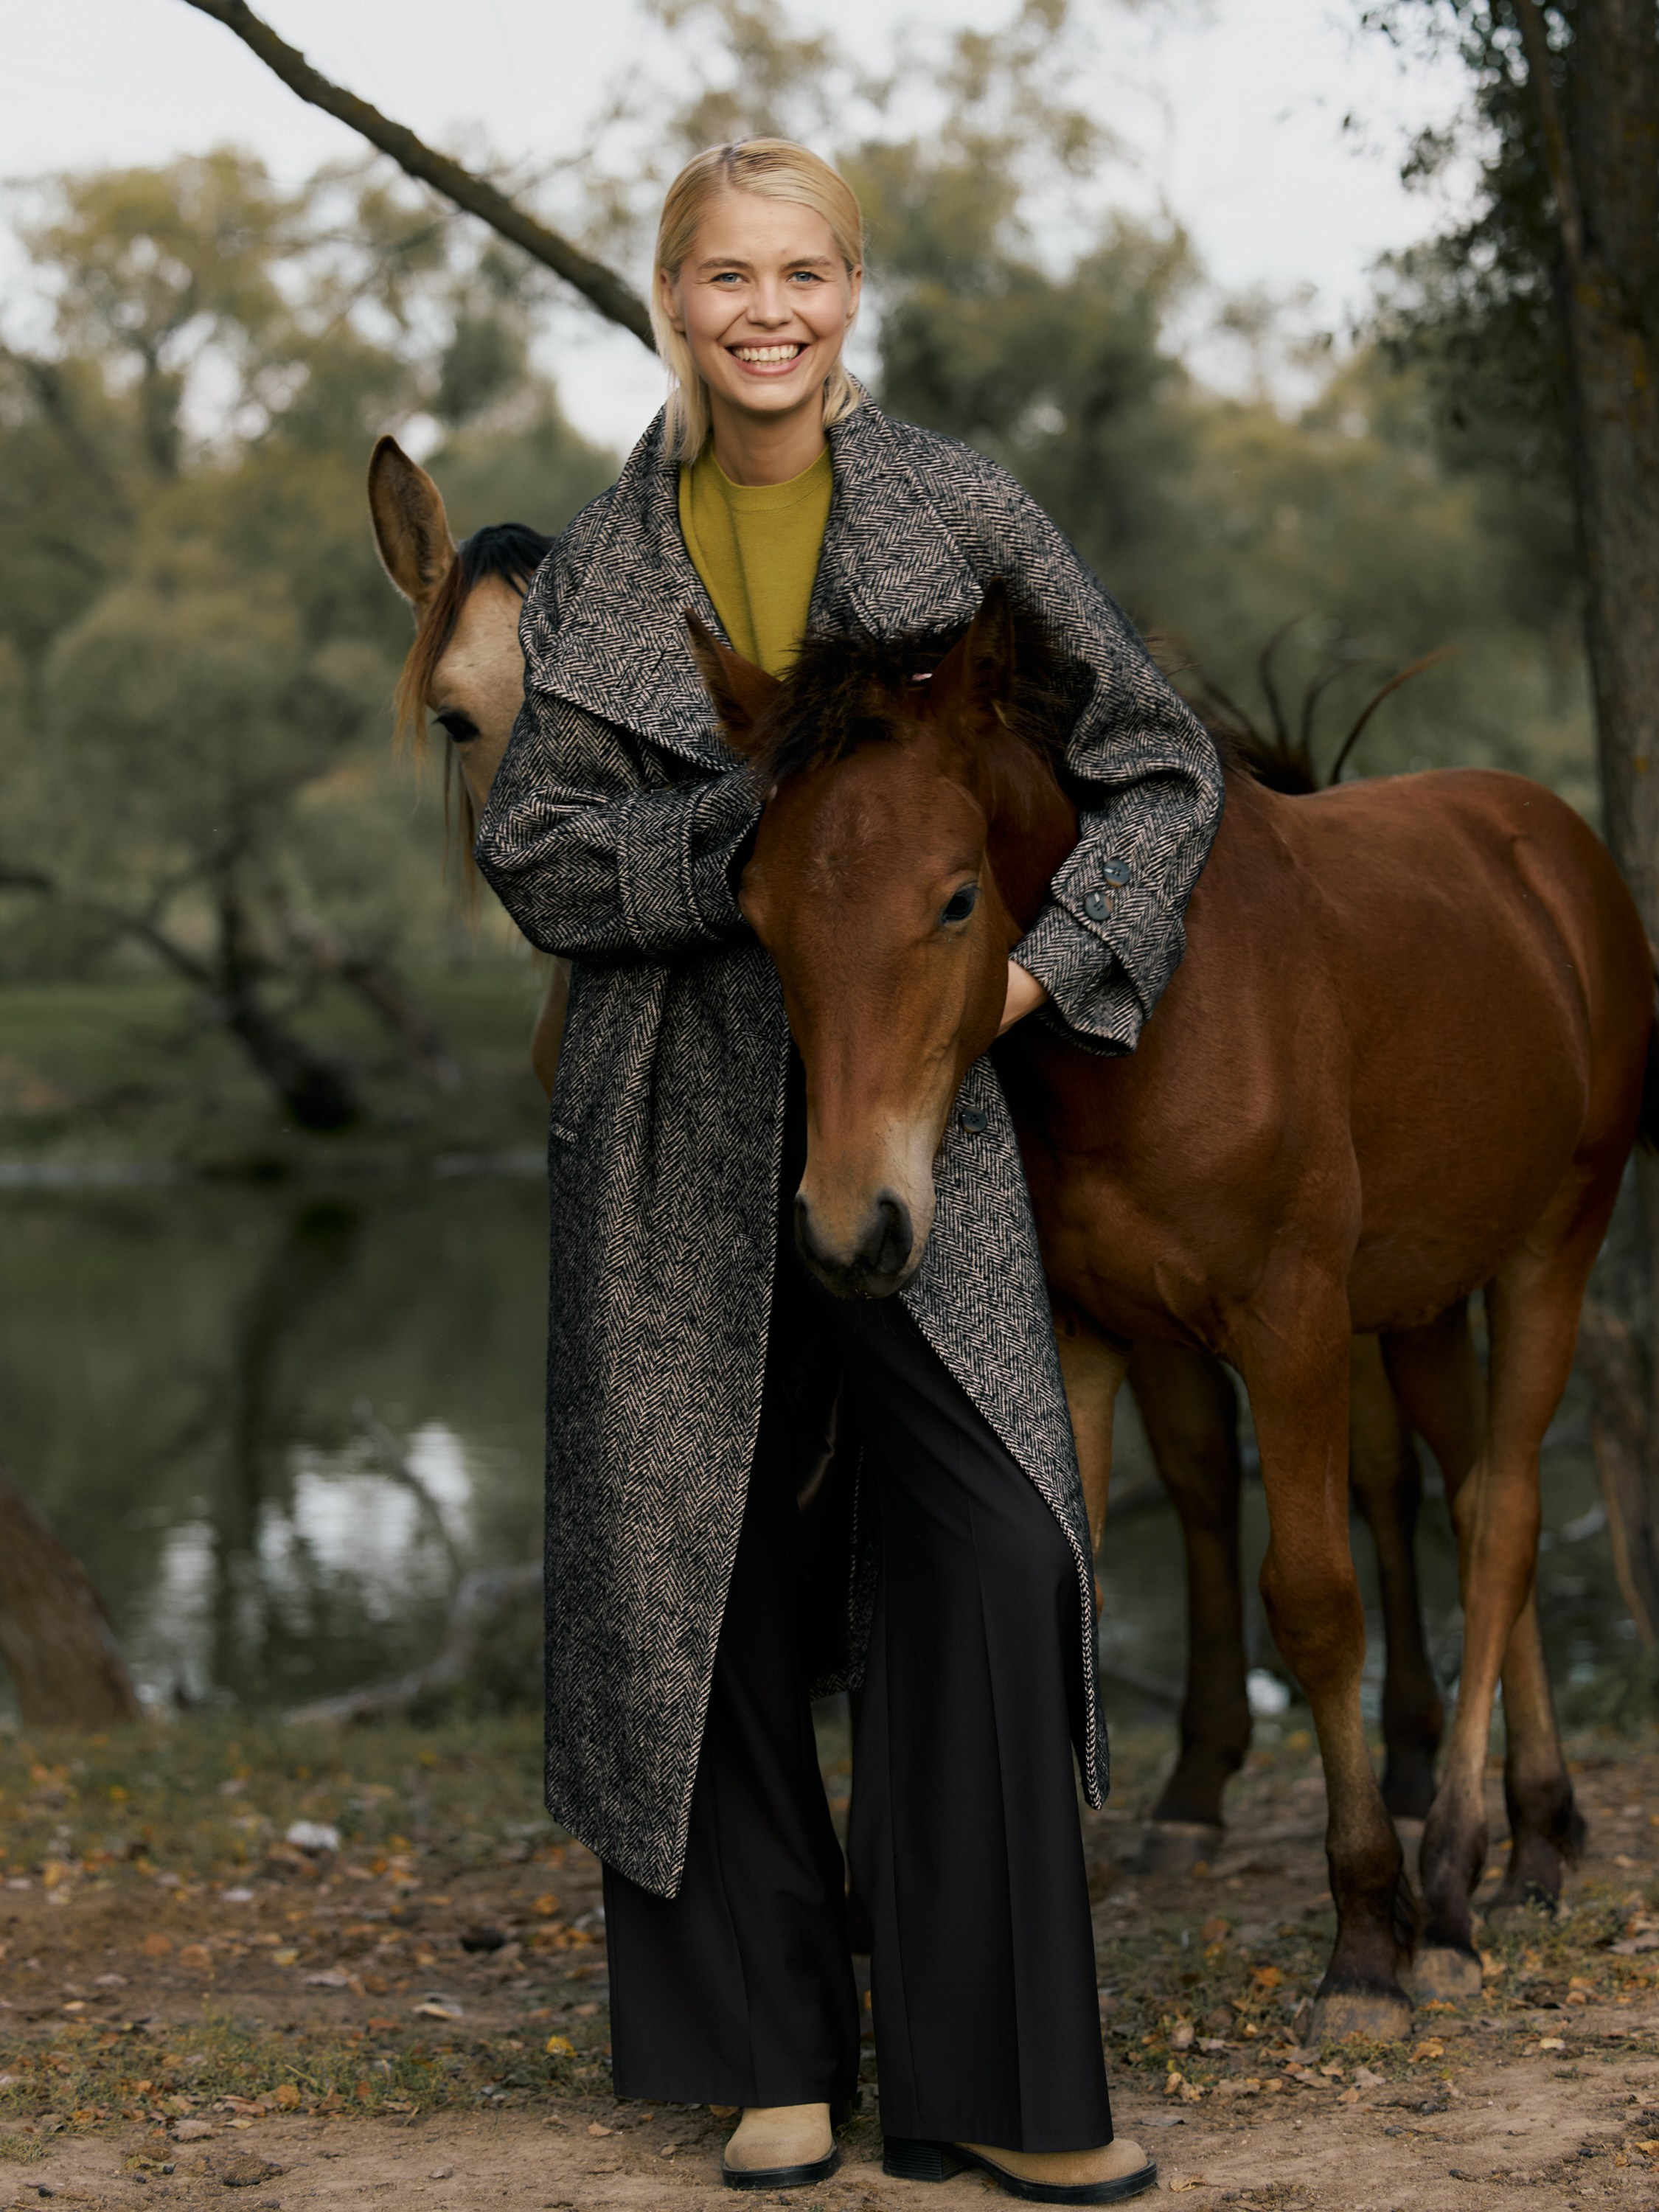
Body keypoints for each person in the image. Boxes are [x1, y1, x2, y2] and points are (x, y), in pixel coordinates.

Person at [476, 139, 1224, 2203]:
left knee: (991, 1546)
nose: (767, 311)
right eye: (726, 275)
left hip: (917, 1113)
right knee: (693, 1579)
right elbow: (528, 847)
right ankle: (769, 2059)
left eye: (801, 271)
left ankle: (994, 2077)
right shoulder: (606, 570)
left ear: (846, 293)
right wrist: (742, 856)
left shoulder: (960, 513)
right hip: (668, 1125)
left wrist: (1037, 983)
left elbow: (1158, 760)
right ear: (672, 296)